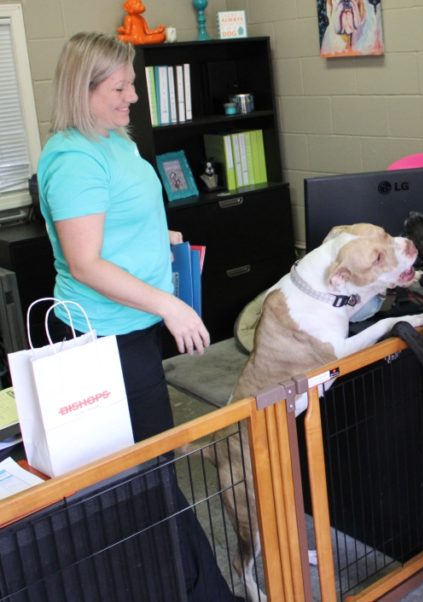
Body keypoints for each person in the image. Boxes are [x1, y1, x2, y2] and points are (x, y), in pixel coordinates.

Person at [37, 32, 237, 601]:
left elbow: (116, 223)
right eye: (120, 86)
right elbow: (85, 262)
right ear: (85, 89)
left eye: (133, 85)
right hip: (103, 340)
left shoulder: (116, 142)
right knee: (145, 481)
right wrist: (169, 303)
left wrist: (160, 238)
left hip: (134, 331)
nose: (133, 97)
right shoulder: (73, 157)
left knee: (153, 474)